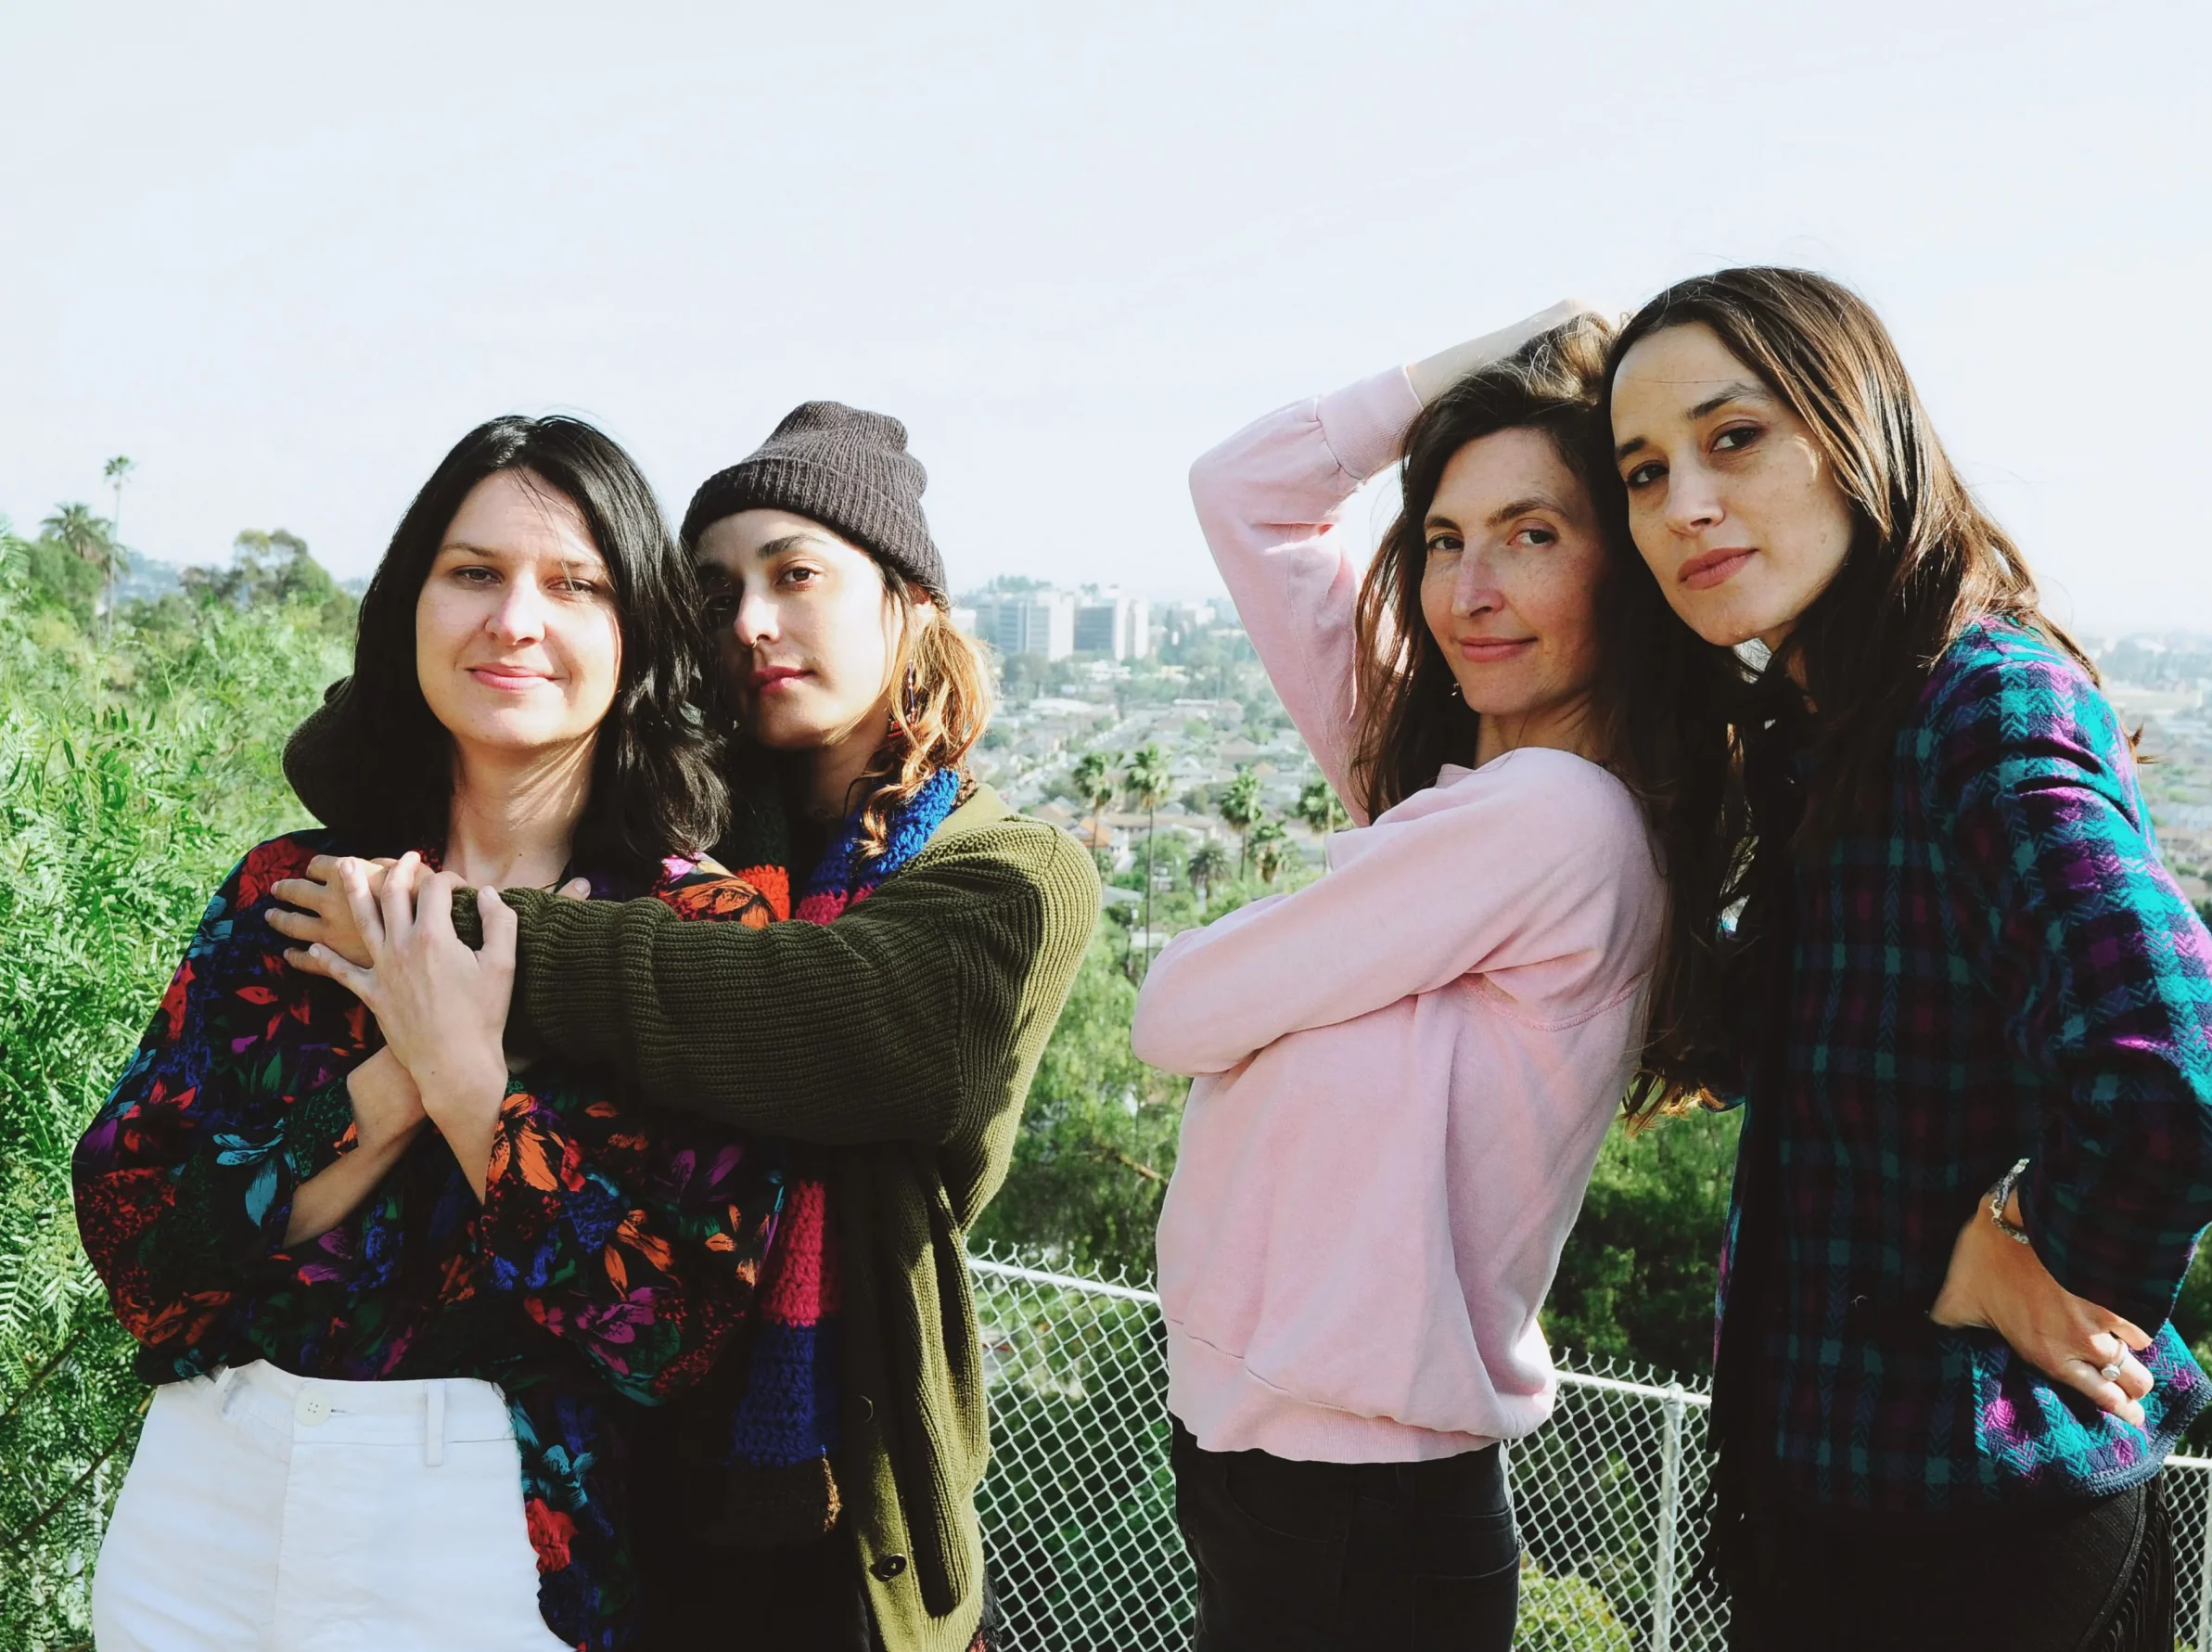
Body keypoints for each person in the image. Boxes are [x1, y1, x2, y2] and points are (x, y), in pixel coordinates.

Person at [274, 402, 1101, 1652]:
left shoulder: (1018, 874)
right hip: (617, 1468)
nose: (751, 622)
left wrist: (475, 940)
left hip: (840, 1509)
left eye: (797, 575)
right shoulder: (678, 826)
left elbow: (835, 1023)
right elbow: (353, 759)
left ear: (910, 606)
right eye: (708, 593)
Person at [1598, 266, 2212, 1651]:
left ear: (1857, 435)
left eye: (1734, 437)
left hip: (1973, 1538)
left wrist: (2022, 1244)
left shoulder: (1978, 703)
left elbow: (2206, 1088)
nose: (1683, 501)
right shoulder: (1831, 738)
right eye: (1639, 470)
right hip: (1860, 1518)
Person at [73, 416, 786, 1651]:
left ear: (637, 637)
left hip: (483, 1528)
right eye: (473, 573)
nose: (514, 619)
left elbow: (669, 1332)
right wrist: (407, 1065)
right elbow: (144, 1245)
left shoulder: (697, 936)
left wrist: (465, 1072)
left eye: (573, 584)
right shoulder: (292, 893)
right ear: (411, 605)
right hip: (208, 1490)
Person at [1129, 303, 1670, 1650]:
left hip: (1360, 1528)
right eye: (1443, 538)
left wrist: (1259, 963)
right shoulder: (1456, 790)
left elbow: (1172, 1009)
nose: (1470, 590)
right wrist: (1492, 355)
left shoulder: (1551, 817)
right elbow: (1243, 496)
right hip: (1281, 1492)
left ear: (1631, 570)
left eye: (1533, 535)